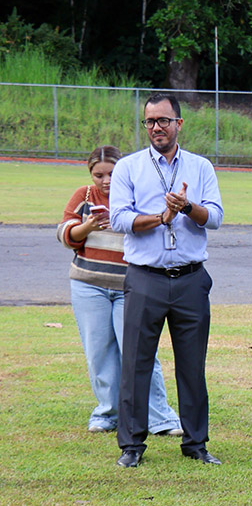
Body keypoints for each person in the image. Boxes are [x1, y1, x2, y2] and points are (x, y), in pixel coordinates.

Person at [109, 93, 225, 468]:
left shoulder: (200, 167)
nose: (156, 128)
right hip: (145, 277)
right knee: (136, 363)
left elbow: (216, 217)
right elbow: (119, 219)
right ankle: (132, 445)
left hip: (191, 278)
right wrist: (161, 217)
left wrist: (186, 207)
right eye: (150, 121)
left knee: (192, 365)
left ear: (179, 123)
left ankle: (196, 443)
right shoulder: (129, 167)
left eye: (163, 121)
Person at [58, 145, 183, 437]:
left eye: (111, 174)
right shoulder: (84, 197)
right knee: (99, 351)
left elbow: (156, 228)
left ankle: (159, 417)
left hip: (131, 284)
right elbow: (65, 235)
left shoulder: (136, 194)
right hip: (89, 284)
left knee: (139, 351)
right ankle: (108, 412)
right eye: (98, 175)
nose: (105, 181)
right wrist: (87, 227)